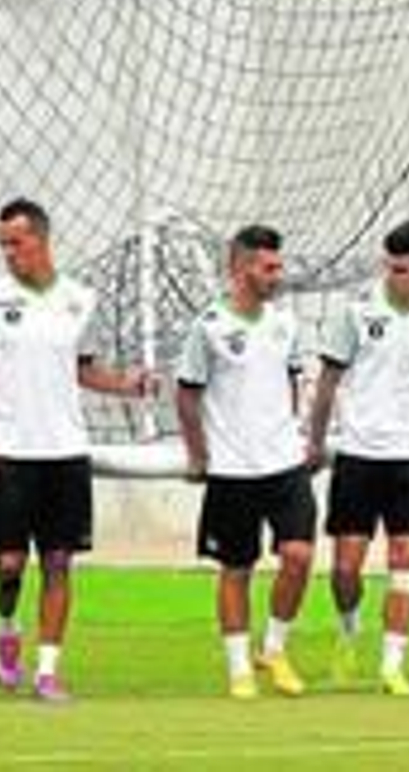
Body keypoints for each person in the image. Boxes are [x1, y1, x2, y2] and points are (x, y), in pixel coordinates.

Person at [0, 197, 154, 702]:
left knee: (60, 562)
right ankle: (6, 627)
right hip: (9, 450)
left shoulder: (79, 300)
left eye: (15, 242)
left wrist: (127, 384)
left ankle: (47, 671)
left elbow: (83, 369)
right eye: (2, 244)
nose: (7, 252)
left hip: (65, 451)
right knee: (8, 565)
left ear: (41, 240)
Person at [306, 220, 409, 697]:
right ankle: (349, 629)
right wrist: (316, 441)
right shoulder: (358, 312)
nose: (390, 274)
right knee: (345, 568)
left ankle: (393, 666)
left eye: (400, 268)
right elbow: (327, 383)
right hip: (359, 455)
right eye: (387, 265)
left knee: (404, 558)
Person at [176, 225, 314, 699]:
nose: (276, 275)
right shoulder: (209, 326)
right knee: (236, 567)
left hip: (284, 463)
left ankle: (274, 647)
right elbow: (187, 394)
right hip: (232, 469)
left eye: (279, 266)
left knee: (298, 555)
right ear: (239, 268)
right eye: (267, 266)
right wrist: (198, 454)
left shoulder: (285, 324)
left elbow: (293, 381)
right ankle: (239, 667)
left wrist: (292, 433)